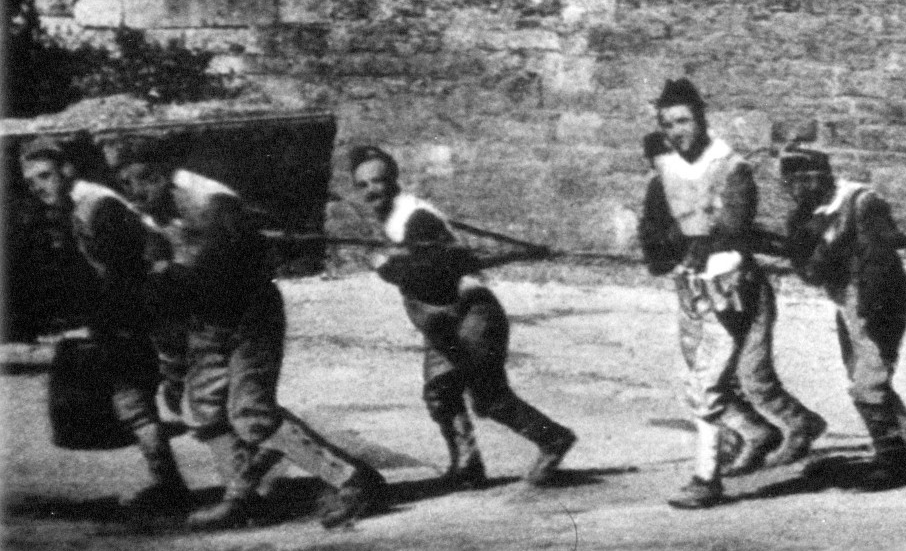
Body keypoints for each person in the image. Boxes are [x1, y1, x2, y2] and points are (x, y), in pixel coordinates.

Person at [108, 133, 385, 530]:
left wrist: (173, 276)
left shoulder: (210, 201)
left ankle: (354, 480)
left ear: (164, 173)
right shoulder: (152, 212)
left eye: (144, 179)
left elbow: (223, 269)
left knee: (251, 412)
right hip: (207, 318)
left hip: (248, 314)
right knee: (202, 412)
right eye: (126, 183)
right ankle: (242, 497)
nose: (136, 191)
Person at [638, 78, 825, 510]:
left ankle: (706, 478)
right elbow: (654, 232)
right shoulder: (663, 173)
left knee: (712, 383)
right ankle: (755, 434)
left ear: (702, 120)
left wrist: (691, 245)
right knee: (700, 379)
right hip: (691, 288)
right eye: (667, 124)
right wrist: (664, 247)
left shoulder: (729, 167)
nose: (676, 131)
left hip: (731, 288)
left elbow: (731, 226)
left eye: (683, 121)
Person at [347, 145, 576, 489]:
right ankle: (467, 464)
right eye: (362, 185)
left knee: (488, 397)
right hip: (439, 319)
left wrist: (387, 268)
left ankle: (553, 439)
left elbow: (430, 274)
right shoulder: (389, 218)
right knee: (440, 392)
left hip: (471, 314)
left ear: (394, 179)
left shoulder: (416, 218)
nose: (371, 191)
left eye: (378, 181)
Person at [18, 134, 190, 513]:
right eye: (31, 182)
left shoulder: (98, 206)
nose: (38, 187)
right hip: (130, 314)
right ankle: (171, 484)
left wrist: (111, 322)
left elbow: (128, 272)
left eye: (45, 176)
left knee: (183, 398)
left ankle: (196, 484)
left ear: (67, 170)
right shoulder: (74, 206)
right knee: (136, 401)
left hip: (151, 311)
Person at [780, 146, 906, 487]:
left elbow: (877, 265)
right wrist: (817, 246)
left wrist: (867, 313)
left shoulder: (860, 202)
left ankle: (892, 457)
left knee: (868, 378)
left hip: (877, 299)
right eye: (792, 181)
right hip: (845, 298)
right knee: (859, 371)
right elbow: (808, 271)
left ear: (824, 176)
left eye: (807, 179)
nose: (799, 188)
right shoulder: (803, 216)